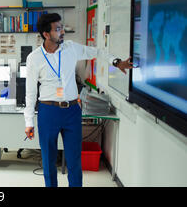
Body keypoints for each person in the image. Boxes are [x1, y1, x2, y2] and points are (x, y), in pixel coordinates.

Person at [24, 13, 133, 187]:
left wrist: (116, 61)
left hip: (72, 111)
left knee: (74, 161)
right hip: (48, 112)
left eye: (62, 27)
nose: (62, 32)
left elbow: (96, 52)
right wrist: (28, 121)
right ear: (46, 34)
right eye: (57, 29)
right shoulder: (34, 58)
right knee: (48, 161)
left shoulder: (71, 48)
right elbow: (30, 92)